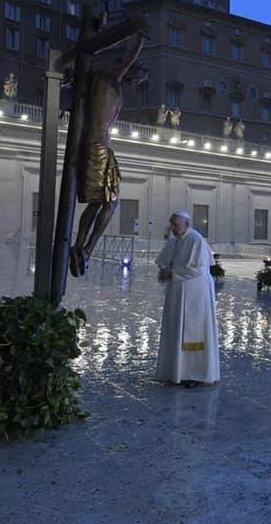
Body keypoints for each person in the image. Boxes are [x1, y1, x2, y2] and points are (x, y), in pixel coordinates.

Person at [69, 29, 146, 277]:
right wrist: (139, 37)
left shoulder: (98, 82)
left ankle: (79, 247)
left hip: (97, 146)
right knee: (111, 205)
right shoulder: (111, 78)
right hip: (98, 147)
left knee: (95, 203)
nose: (135, 85)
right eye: (137, 80)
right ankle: (87, 249)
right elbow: (126, 60)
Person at [155, 211, 219, 387]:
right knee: (176, 329)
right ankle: (176, 371)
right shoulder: (176, 239)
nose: (173, 228)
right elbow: (165, 260)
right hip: (178, 292)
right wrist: (164, 269)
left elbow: (198, 270)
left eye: (176, 225)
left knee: (193, 331)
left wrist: (171, 273)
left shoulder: (196, 240)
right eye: (172, 225)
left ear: (187, 223)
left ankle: (195, 374)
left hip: (195, 294)